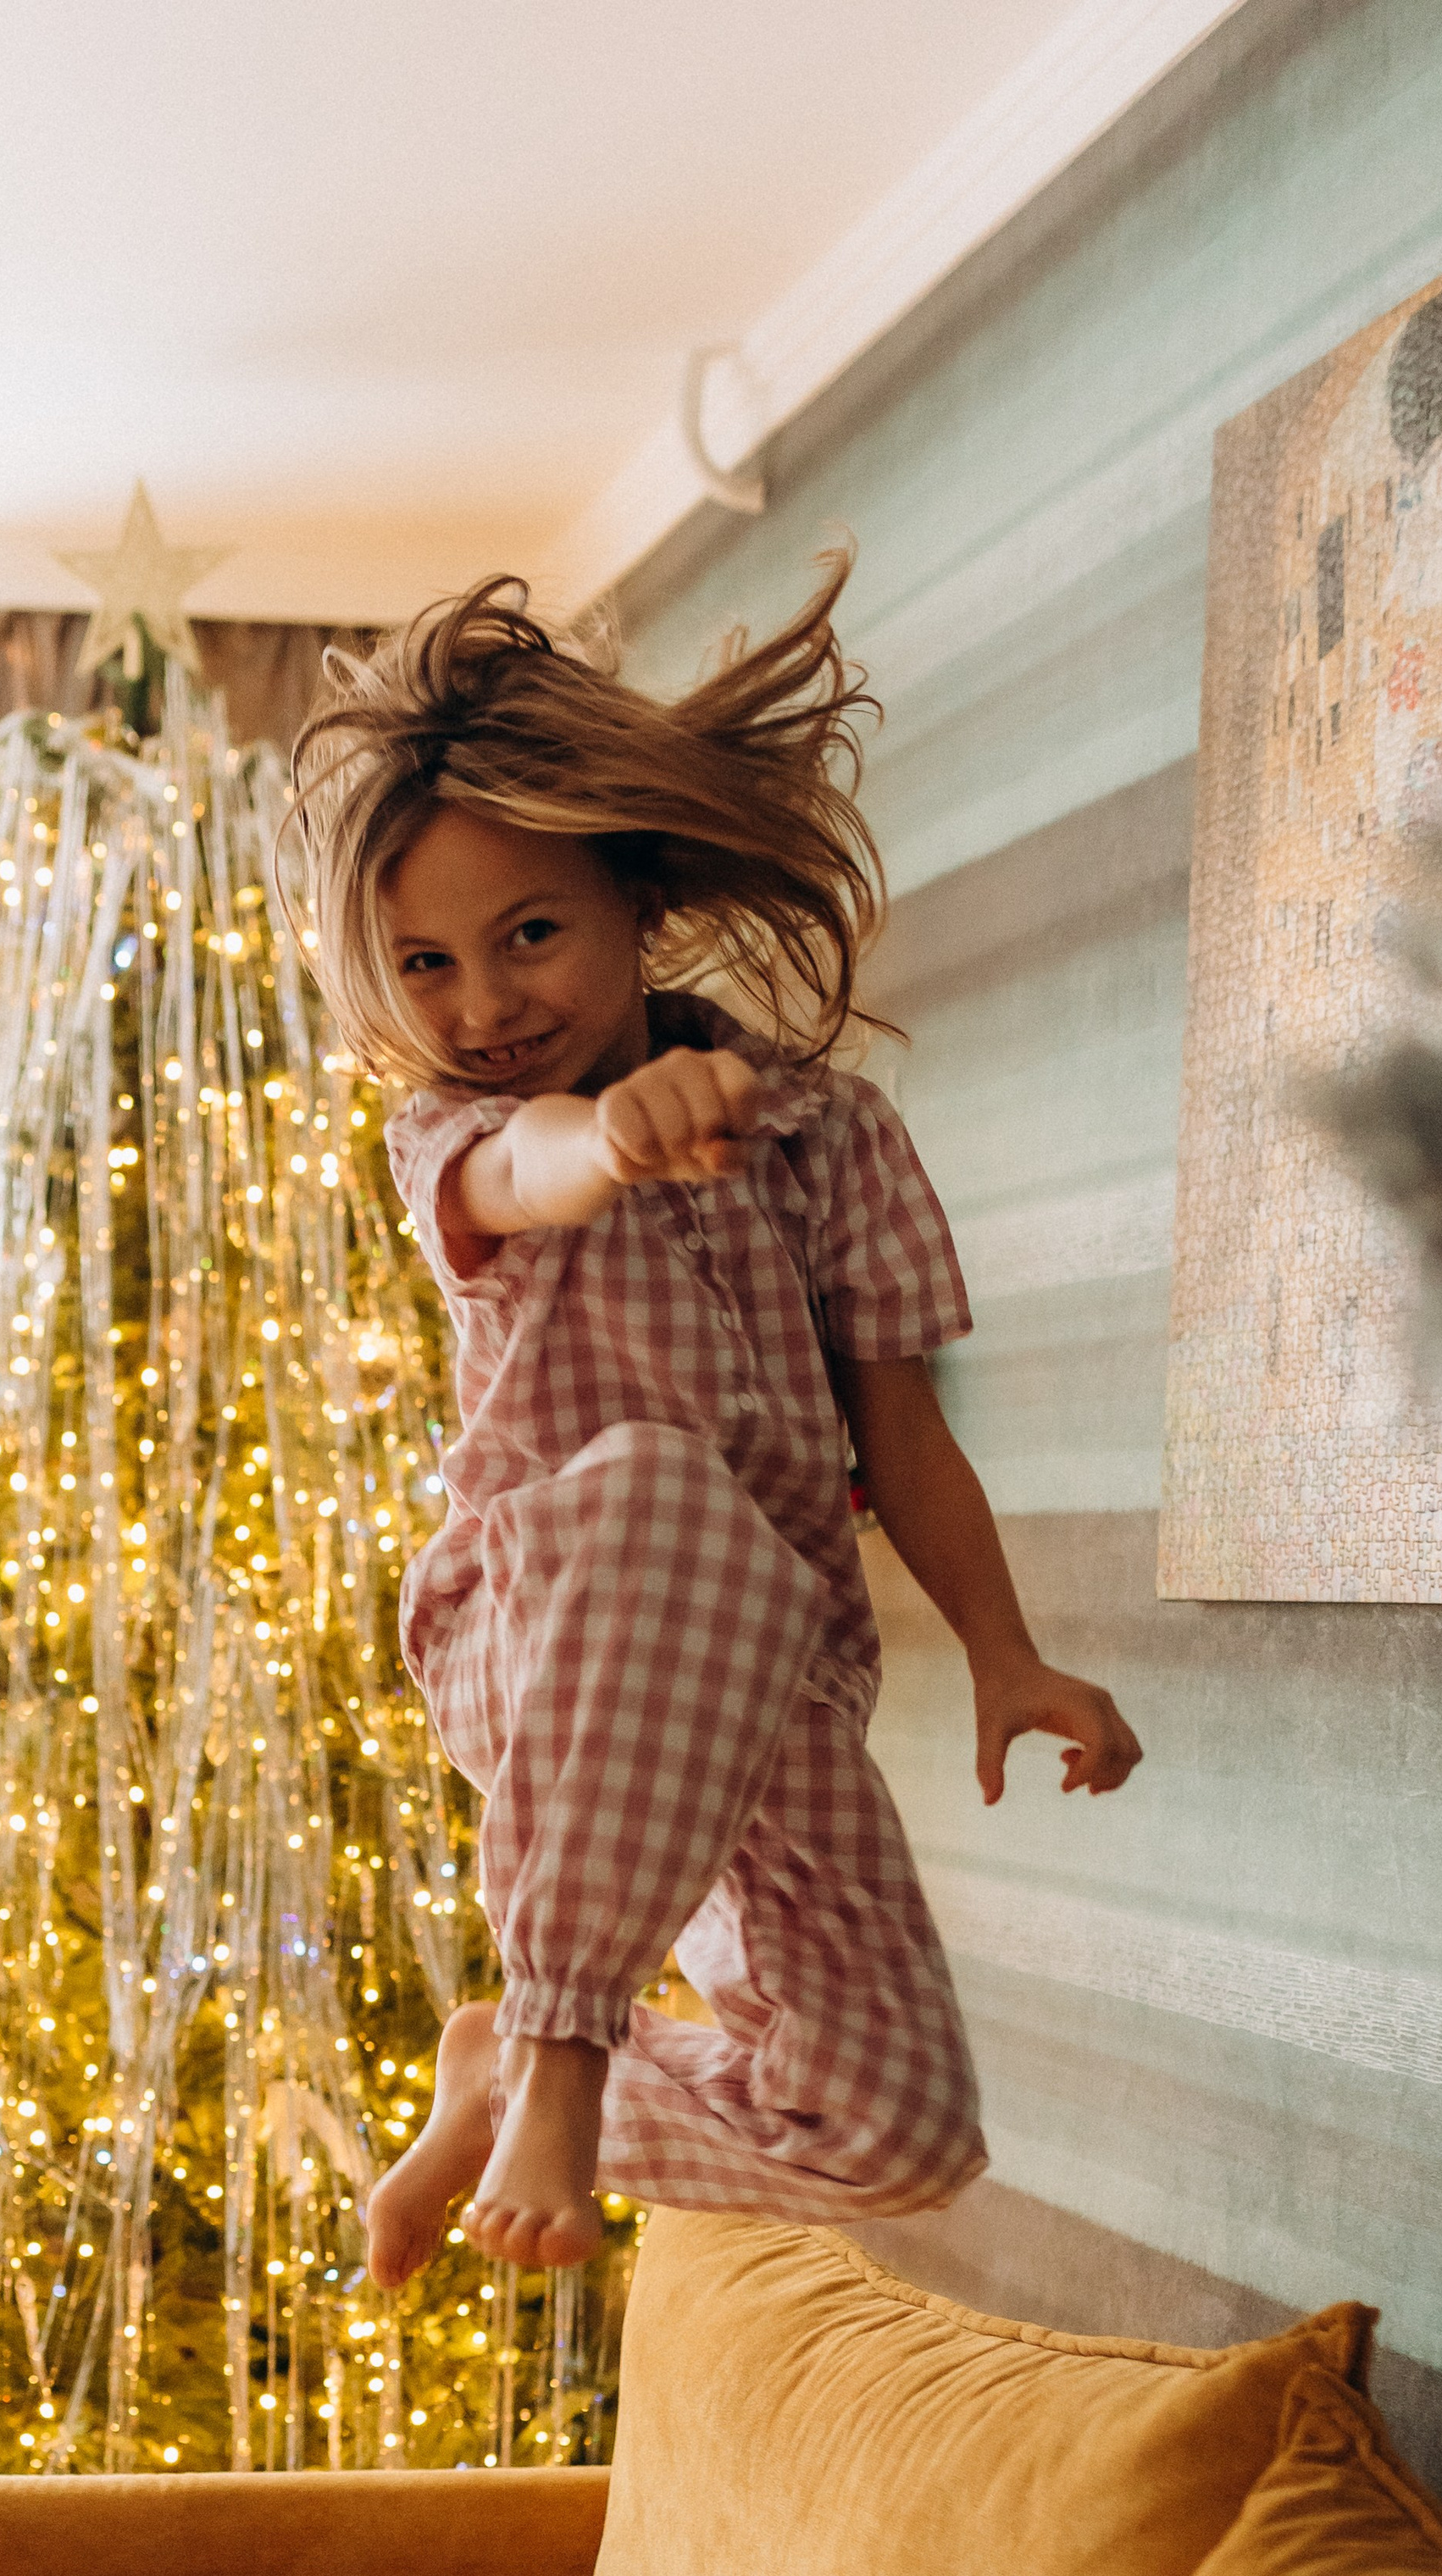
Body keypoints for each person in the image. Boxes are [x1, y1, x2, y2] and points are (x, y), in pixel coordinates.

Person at [286, 565, 1142, 2289]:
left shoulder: (823, 1133)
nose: (480, 1005)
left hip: (761, 1682)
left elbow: (894, 1427)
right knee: (666, 1489)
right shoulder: (456, 1135)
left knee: (890, 2131)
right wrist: (610, 1139)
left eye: (527, 934)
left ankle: (498, 2079)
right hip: (540, 1629)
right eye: (425, 965)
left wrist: (1003, 1648)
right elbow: (529, 1170)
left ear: (634, 899)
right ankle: (556, 2041)